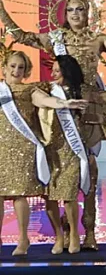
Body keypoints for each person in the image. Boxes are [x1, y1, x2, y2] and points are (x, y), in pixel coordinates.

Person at [0, 0, 106, 252]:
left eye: (80, 9)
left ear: (88, 13)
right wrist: (2, 12)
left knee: (89, 172)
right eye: (71, 10)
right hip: (60, 105)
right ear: (65, 13)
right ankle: (62, 234)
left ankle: (90, 232)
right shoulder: (56, 38)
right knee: (57, 173)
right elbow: (23, 37)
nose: (75, 14)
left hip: (88, 104)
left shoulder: (97, 39)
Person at [0, 49, 88, 255]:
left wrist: (64, 103)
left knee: (19, 194)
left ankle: (23, 240)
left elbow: (46, 101)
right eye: (12, 66)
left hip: (22, 148)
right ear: (4, 68)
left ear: (26, 71)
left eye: (21, 67)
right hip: (1, 147)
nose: (16, 70)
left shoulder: (30, 90)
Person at [41, 55, 95, 255]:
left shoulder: (82, 91)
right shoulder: (47, 90)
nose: (53, 74)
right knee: (50, 196)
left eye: (58, 70)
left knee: (70, 195)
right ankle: (58, 235)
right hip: (52, 150)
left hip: (74, 150)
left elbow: (101, 101)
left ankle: (73, 235)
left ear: (67, 71)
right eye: (53, 70)